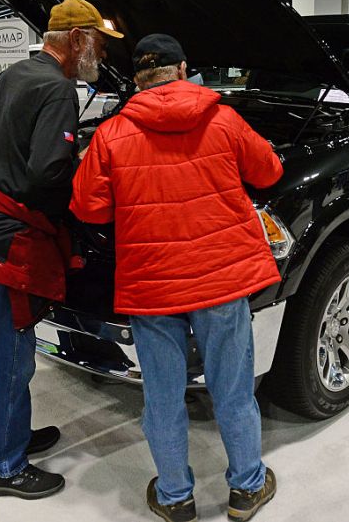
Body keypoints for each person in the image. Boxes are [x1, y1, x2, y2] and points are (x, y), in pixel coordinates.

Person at [71, 34, 283, 522]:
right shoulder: (224, 118)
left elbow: (89, 206)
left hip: (153, 284)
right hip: (220, 279)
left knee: (162, 397)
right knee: (232, 389)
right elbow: (269, 172)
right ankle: (247, 488)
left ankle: (174, 497)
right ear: (183, 69)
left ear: (138, 80)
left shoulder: (111, 134)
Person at [0, 0, 121, 498]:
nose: (101, 55)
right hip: (7, 242)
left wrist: (8, 153)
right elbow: (46, 176)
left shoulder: (17, 73)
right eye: (100, 44)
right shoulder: (58, 88)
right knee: (11, 354)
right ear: (78, 38)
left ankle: (11, 436)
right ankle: (3, 466)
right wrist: (77, 164)